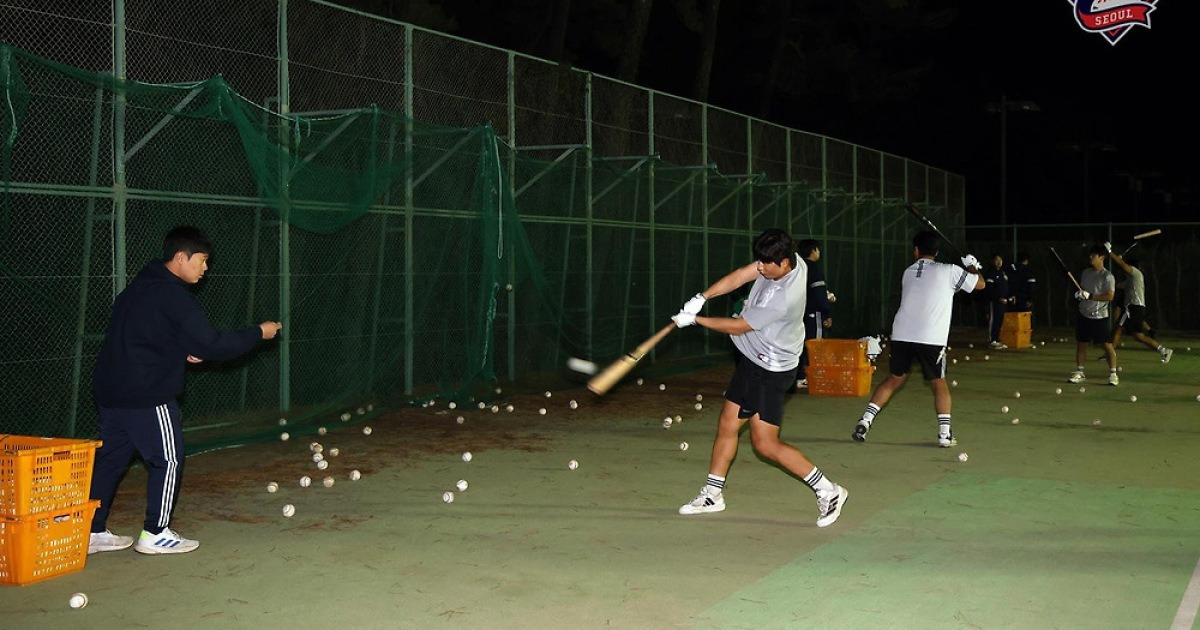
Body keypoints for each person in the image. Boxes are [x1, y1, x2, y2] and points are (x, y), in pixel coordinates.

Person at [88, 226, 282, 555]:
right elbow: (213, 344)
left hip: (110, 390)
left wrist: (178, 349)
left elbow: (143, 335)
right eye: (202, 261)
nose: (205, 268)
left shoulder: (138, 287)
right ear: (181, 257)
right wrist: (257, 333)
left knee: (110, 460)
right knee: (169, 459)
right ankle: (156, 532)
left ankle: (91, 530)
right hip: (146, 394)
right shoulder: (176, 298)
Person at [672, 228, 848, 528]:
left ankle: (829, 490)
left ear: (785, 263)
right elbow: (740, 276)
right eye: (760, 261)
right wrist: (701, 298)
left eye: (767, 264)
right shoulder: (781, 261)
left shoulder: (784, 298)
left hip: (771, 369)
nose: (761, 268)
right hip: (753, 361)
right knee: (728, 423)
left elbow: (740, 326)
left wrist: (696, 320)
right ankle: (713, 494)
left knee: (765, 445)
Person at [852, 231, 984, 447]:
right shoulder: (949, 270)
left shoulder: (908, 273)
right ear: (937, 251)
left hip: (902, 334)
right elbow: (980, 284)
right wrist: (972, 266)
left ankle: (864, 422)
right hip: (931, 337)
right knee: (938, 382)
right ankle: (944, 435)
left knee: (894, 379)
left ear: (916, 251)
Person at [1107, 244, 1172, 363]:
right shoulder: (1130, 280)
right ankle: (1163, 350)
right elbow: (1116, 285)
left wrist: (1110, 253)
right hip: (1135, 308)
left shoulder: (1135, 273)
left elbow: (1122, 265)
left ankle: (1110, 353)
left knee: (1123, 330)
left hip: (1133, 307)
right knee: (1131, 333)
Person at [1067, 244, 1118, 385]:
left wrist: (1090, 296)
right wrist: (1079, 295)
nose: (1090, 257)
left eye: (1093, 255)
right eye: (1090, 255)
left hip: (1099, 316)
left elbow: (1110, 296)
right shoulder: (1086, 273)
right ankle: (1080, 372)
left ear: (1101, 257)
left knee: (1107, 345)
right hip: (1083, 313)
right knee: (1081, 344)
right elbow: (1083, 290)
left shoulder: (1108, 276)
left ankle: (1113, 374)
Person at [795, 238, 833, 390]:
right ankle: (814, 378)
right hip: (813, 313)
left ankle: (799, 377)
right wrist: (827, 312)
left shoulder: (797, 268)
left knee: (799, 346)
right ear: (813, 251)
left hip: (798, 314)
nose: (819, 253)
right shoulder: (814, 269)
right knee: (815, 346)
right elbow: (818, 293)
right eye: (818, 250)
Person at [983, 253, 1012, 349]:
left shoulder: (1003, 273)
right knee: (993, 320)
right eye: (997, 259)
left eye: (1000, 260)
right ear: (992, 261)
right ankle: (992, 340)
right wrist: (998, 297)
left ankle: (997, 339)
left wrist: (1008, 298)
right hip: (994, 302)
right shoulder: (991, 273)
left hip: (1003, 302)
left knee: (1000, 321)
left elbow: (1006, 287)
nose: (999, 262)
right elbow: (989, 289)